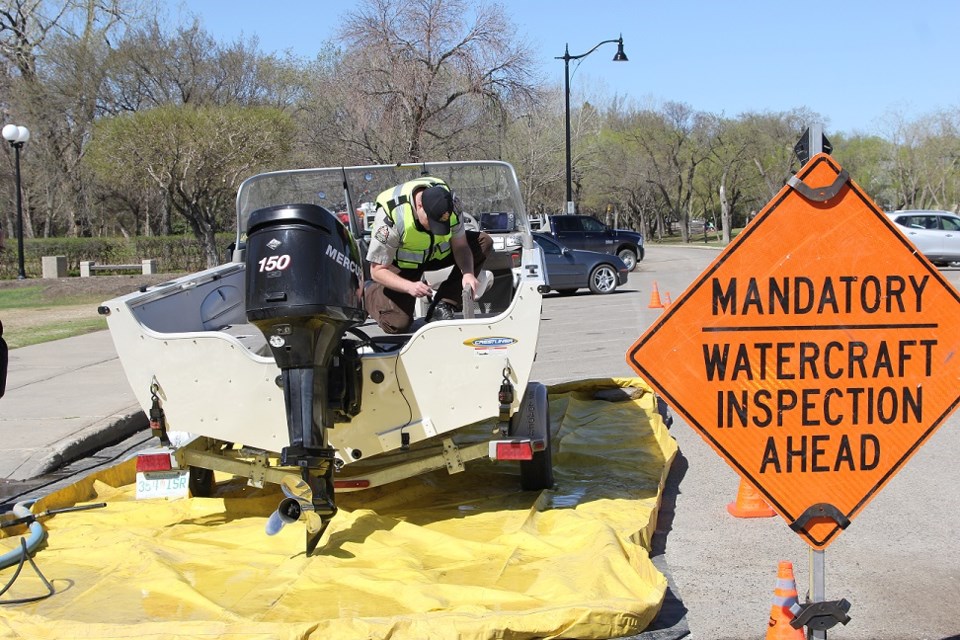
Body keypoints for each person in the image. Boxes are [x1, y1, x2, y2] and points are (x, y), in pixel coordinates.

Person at [364, 177, 492, 334]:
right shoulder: (391, 218)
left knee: (483, 242)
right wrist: (409, 286)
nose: (434, 228)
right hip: (404, 264)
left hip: (436, 254)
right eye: (431, 222)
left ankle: (444, 305)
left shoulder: (451, 205)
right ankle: (368, 293)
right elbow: (377, 270)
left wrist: (468, 273)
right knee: (396, 324)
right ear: (419, 206)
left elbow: (461, 246)